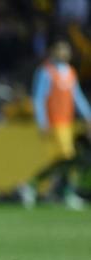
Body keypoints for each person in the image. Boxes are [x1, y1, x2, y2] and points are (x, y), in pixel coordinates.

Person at [18, 40, 91, 210]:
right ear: (53, 52)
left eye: (66, 50)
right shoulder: (46, 72)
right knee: (66, 158)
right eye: (60, 50)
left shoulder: (71, 72)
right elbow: (39, 98)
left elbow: (77, 96)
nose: (64, 53)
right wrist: (42, 122)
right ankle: (61, 191)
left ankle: (32, 187)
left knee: (62, 161)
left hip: (67, 123)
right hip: (54, 123)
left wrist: (88, 115)